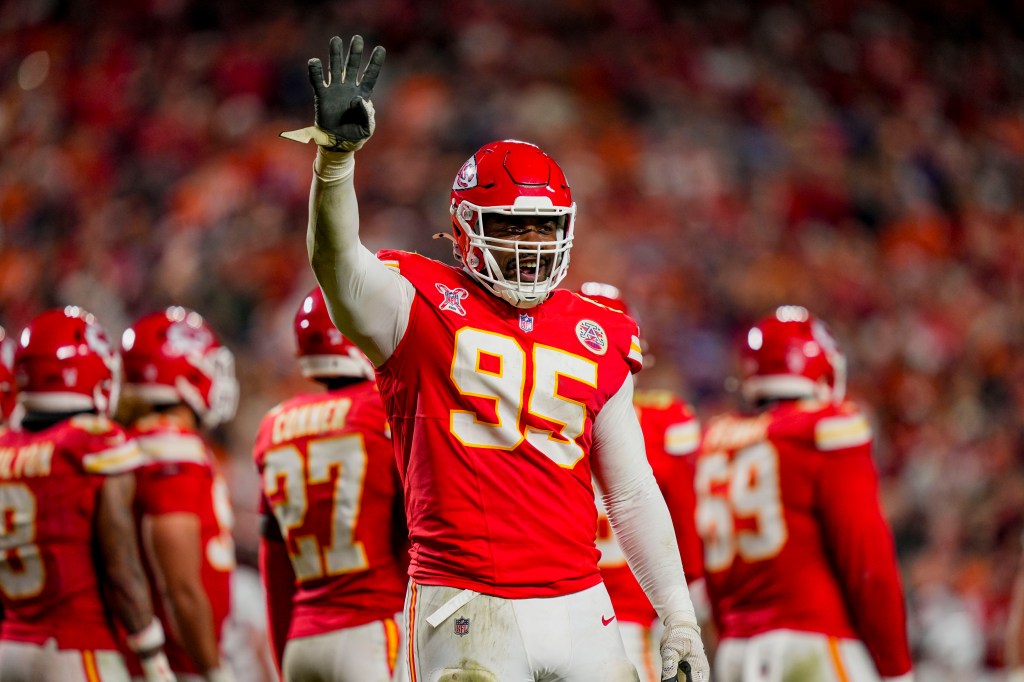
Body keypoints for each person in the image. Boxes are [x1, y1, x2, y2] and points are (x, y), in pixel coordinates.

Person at [286, 34, 709, 682]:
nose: (531, 242)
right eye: (511, 226)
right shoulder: (416, 301)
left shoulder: (598, 329)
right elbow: (335, 260)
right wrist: (335, 162)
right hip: (464, 597)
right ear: (465, 227)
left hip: (581, 603)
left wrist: (678, 616)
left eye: (545, 226)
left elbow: (629, 492)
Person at [693, 305, 913, 682]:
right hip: (810, 645)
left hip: (735, 652)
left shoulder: (715, 440)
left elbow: (707, 573)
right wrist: (897, 668)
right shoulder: (824, 429)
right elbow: (868, 566)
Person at [0, 307, 174, 682]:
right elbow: (120, 566)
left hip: (9, 648)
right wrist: (151, 653)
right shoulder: (91, 441)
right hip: (75, 647)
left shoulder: (4, 446)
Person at [253, 285, 408, 681]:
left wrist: (285, 655)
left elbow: (274, 566)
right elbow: (415, 531)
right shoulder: (382, 409)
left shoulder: (273, 425)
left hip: (302, 640)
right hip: (372, 629)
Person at [577, 283, 708, 682]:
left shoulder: (534, 423)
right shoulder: (663, 422)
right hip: (631, 628)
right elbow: (687, 538)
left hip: (555, 614)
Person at [119, 306, 239, 682]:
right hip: (176, 662)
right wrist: (212, 671)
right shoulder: (171, 449)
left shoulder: (135, 441)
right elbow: (180, 586)